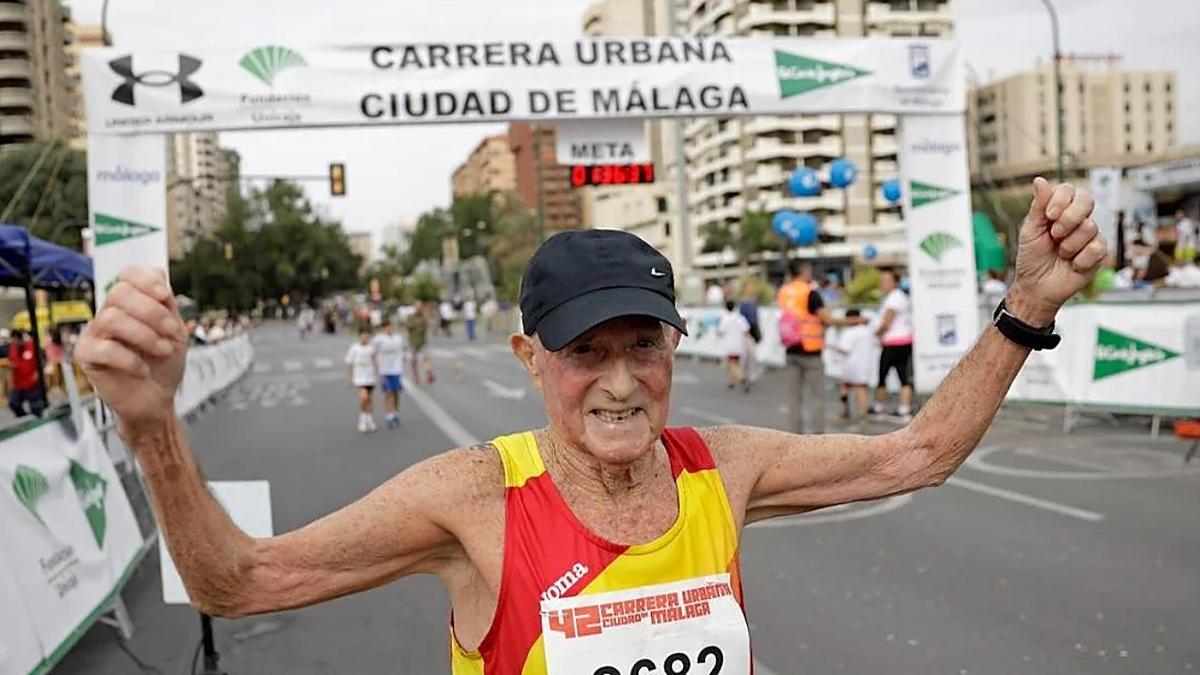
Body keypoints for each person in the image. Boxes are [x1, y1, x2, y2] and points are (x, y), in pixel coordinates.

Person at [76, 178, 1106, 673]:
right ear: (531, 358)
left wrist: (1029, 306)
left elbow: (919, 453)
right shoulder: (476, 496)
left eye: (642, 347)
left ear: (672, 347)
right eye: (584, 352)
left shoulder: (723, 464)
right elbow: (239, 582)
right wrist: (155, 427)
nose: (620, 383)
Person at [777, 261, 866, 434]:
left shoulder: (784, 292)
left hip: (791, 347)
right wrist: (856, 321)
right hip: (810, 350)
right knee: (817, 396)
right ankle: (817, 436)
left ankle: (794, 435)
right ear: (804, 271)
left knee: (794, 397)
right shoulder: (810, 293)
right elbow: (828, 319)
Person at [874, 268, 916, 420]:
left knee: (883, 375)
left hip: (894, 342)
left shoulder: (894, 298)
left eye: (886, 281)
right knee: (902, 375)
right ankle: (903, 408)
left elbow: (887, 322)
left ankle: (879, 407)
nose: (882, 284)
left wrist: (876, 334)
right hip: (903, 340)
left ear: (894, 282)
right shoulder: (899, 297)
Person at [828, 309, 875, 422]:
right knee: (862, 389)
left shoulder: (849, 332)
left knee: (845, 387)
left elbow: (845, 349)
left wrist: (833, 347)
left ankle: (845, 412)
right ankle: (863, 414)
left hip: (850, 365)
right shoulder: (867, 331)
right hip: (865, 365)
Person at [373, 320, 407, 429]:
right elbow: (372, 352)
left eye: (390, 327)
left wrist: (404, 358)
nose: (389, 329)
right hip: (385, 370)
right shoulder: (378, 339)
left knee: (396, 393)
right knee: (389, 393)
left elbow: (404, 349)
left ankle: (395, 413)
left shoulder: (398, 338)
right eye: (386, 327)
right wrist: (376, 368)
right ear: (383, 328)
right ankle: (389, 416)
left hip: (396, 370)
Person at [345, 326, 379, 433]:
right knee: (363, 398)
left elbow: (375, 361)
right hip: (359, 378)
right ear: (359, 336)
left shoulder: (371, 348)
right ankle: (362, 420)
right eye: (364, 336)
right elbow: (349, 363)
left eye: (368, 336)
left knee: (369, 399)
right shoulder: (354, 348)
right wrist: (349, 378)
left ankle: (369, 419)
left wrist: (377, 374)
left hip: (370, 377)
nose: (366, 338)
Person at [716, 299, 752, 392]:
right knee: (736, 363)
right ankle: (733, 381)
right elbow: (746, 330)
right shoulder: (740, 317)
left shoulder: (725, 318)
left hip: (729, 345)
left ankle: (742, 379)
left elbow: (720, 331)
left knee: (731, 364)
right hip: (739, 344)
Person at [7, 331, 44, 417]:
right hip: (19, 384)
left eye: (15, 340)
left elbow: (41, 359)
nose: (13, 342)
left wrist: (38, 372)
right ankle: (23, 416)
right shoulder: (12, 350)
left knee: (37, 409)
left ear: (20, 339)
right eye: (12, 340)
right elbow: (12, 362)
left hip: (32, 383)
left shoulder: (31, 346)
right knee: (13, 403)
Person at [736, 283, 762, 388]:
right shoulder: (744, 303)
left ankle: (750, 374)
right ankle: (744, 374)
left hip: (752, 331)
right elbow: (741, 319)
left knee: (752, 355)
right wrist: (745, 331)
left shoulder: (755, 302)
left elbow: (755, 319)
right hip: (746, 332)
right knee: (746, 355)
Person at [404, 300, 434, 385]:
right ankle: (415, 376)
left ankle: (429, 373)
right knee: (413, 360)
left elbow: (427, 326)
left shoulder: (424, 317)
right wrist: (416, 325)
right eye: (417, 306)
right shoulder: (410, 316)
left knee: (427, 357)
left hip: (423, 341)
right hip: (413, 341)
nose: (419, 308)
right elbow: (407, 326)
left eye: (420, 306)